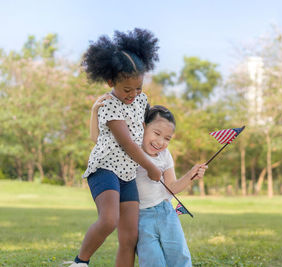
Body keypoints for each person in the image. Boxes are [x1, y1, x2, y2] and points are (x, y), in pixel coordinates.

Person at [67, 28, 162, 267]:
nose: (133, 94)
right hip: (105, 168)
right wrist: (150, 166)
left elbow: (141, 132)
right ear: (111, 82)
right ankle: (80, 262)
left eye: (138, 87)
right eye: (126, 90)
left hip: (128, 173)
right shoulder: (109, 105)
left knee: (130, 235)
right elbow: (128, 143)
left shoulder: (141, 99)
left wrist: (157, 153)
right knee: (109, 220)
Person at [90, 104, 208, 266]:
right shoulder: (129, 150)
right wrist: (95, 111)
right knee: (151, 260)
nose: (160, 142)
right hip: (140, 218)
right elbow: (97, 139)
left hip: (166, 213)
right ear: (143, 127)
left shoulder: (165, 155)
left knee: (179, 256)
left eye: (167, 138)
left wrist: (190, 175)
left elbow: (171, 187)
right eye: (157, 133)